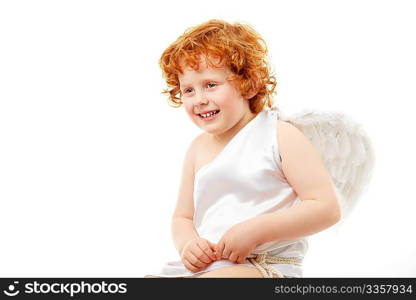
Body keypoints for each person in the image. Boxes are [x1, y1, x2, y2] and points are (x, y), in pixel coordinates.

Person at [145, 19, 341, 278]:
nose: (200, 99)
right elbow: (182, 217)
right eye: (188, 90)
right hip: (208, 269)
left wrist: (256, 230)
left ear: (248, 82)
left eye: (210, 85)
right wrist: (188, 245)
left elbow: (326, 207)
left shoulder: (280, 135)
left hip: (263, 267)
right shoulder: (197, 149)